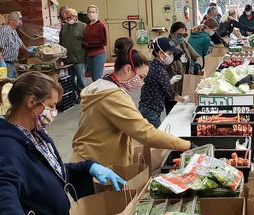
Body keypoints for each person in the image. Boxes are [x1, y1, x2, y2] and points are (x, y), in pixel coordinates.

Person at [0, 72, 125, 215]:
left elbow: (49, 172)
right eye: (52, 105)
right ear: (32, 102)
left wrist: (88, 167)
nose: (54, 111)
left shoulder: (34, 134)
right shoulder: (3, 147)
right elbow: (2, 196)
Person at [71, 37, 191, 167]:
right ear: (128, 69)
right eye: (141, 77)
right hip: (95, 164)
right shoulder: (114, 97)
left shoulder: (101, 85)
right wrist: (186, 145)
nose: (142, 82)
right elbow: (146, 133)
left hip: (88, 158)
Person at [139, 37, 190, 128]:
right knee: (158, 139)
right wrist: (183, 100)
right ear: (160, 53)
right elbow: (170, 94)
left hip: (146, 107)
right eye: (170, 53)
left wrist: (168, 82)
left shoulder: (152, 65)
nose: (171, 56)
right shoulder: (160, 71)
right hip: (151, 110)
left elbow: (155, 84)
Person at [166, 22, 202, 114]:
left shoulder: (184, 45)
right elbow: (161, 64)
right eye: (179, 35)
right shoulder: (165, 47)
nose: (182, 37)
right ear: (172, 34)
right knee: (172, 114)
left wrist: (198, 65)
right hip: (172, 87)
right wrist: (173, 59)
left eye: (184, 35)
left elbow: (198, 57)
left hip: (186, 84)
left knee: (184, 113)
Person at [0, 11, 35, 78]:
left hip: (11, 63)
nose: (19, 22)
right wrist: (1, 61)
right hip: (2, 63)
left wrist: (28, 50)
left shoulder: (13, 30)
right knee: (7, 84)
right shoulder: (4, 31)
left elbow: (19, 43)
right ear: (12, 21)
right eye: (18, 20)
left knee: (13, 82)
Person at [59, 8, 87, 94]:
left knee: (81, 79)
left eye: (69, 17)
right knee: (69, 80)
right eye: (66, 18)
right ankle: (74, 95)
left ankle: (82, 96)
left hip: (79, 59)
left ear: (75, 17)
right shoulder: (64, 27)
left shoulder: (83, 26)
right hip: (67, 59)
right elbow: (61, 41)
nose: (67, 19)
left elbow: (87, 42)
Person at [84, 5, 107, 81]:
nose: (91, 14)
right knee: (93, 78)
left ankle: (101, 92)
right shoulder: (87, 26)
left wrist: (89, 45)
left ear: (97, 13)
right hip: (89, 55)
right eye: (89, 12)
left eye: (93, 12)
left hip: (98, 54)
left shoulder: (100, 25)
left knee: (97, 78)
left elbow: (104, 42)